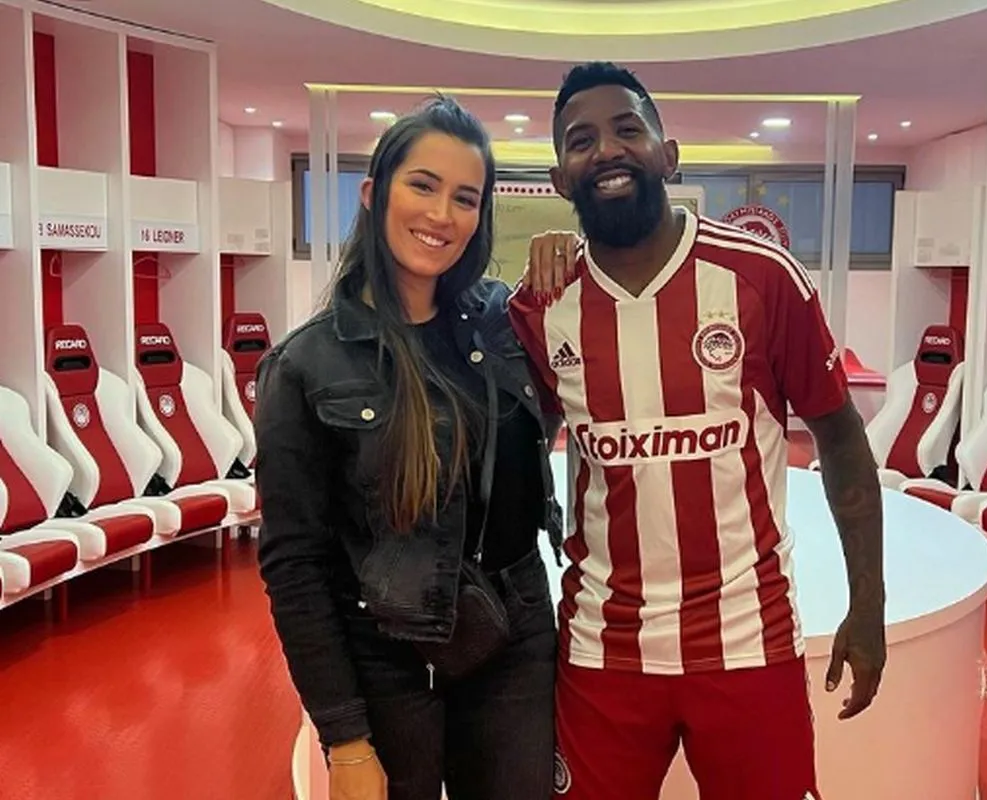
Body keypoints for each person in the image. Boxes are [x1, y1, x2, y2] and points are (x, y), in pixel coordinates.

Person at [510, 62, 887, 799]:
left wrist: (867, 606)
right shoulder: (541, 305)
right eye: (581, 141)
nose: (606, 150)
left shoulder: (762, 277)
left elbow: (841, 439)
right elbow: (518, 445)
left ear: (669, 155)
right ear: (560, 179)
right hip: (602, 650)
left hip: (749, 641)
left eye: (627, 129)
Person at [254, 95, 564, 800]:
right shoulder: (305, 366)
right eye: (422, 185)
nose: (441, 214)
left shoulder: (505, 324)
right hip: (385, 658)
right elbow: (295, 565)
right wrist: (344, 738)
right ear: (374, 193)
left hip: (515, 637)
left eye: (465, 198)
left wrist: (572, 254)